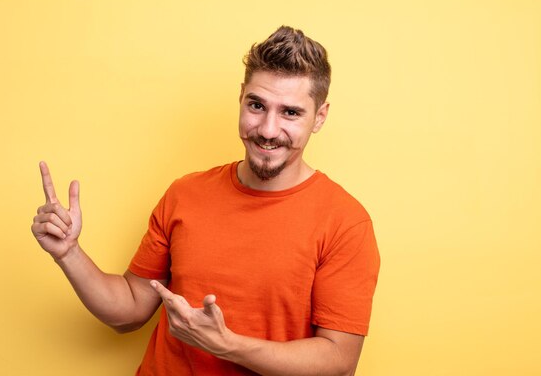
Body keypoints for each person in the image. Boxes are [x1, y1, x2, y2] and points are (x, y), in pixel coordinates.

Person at [31, 26, 380, 376]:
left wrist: (226, 344)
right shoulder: (185, 194)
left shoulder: (345, 222)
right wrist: (68, 252)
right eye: (256, 105)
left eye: (290, 113)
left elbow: (339, 362)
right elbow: (129, 312)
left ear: (319, 116)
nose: (268, 129)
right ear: (241, 97)